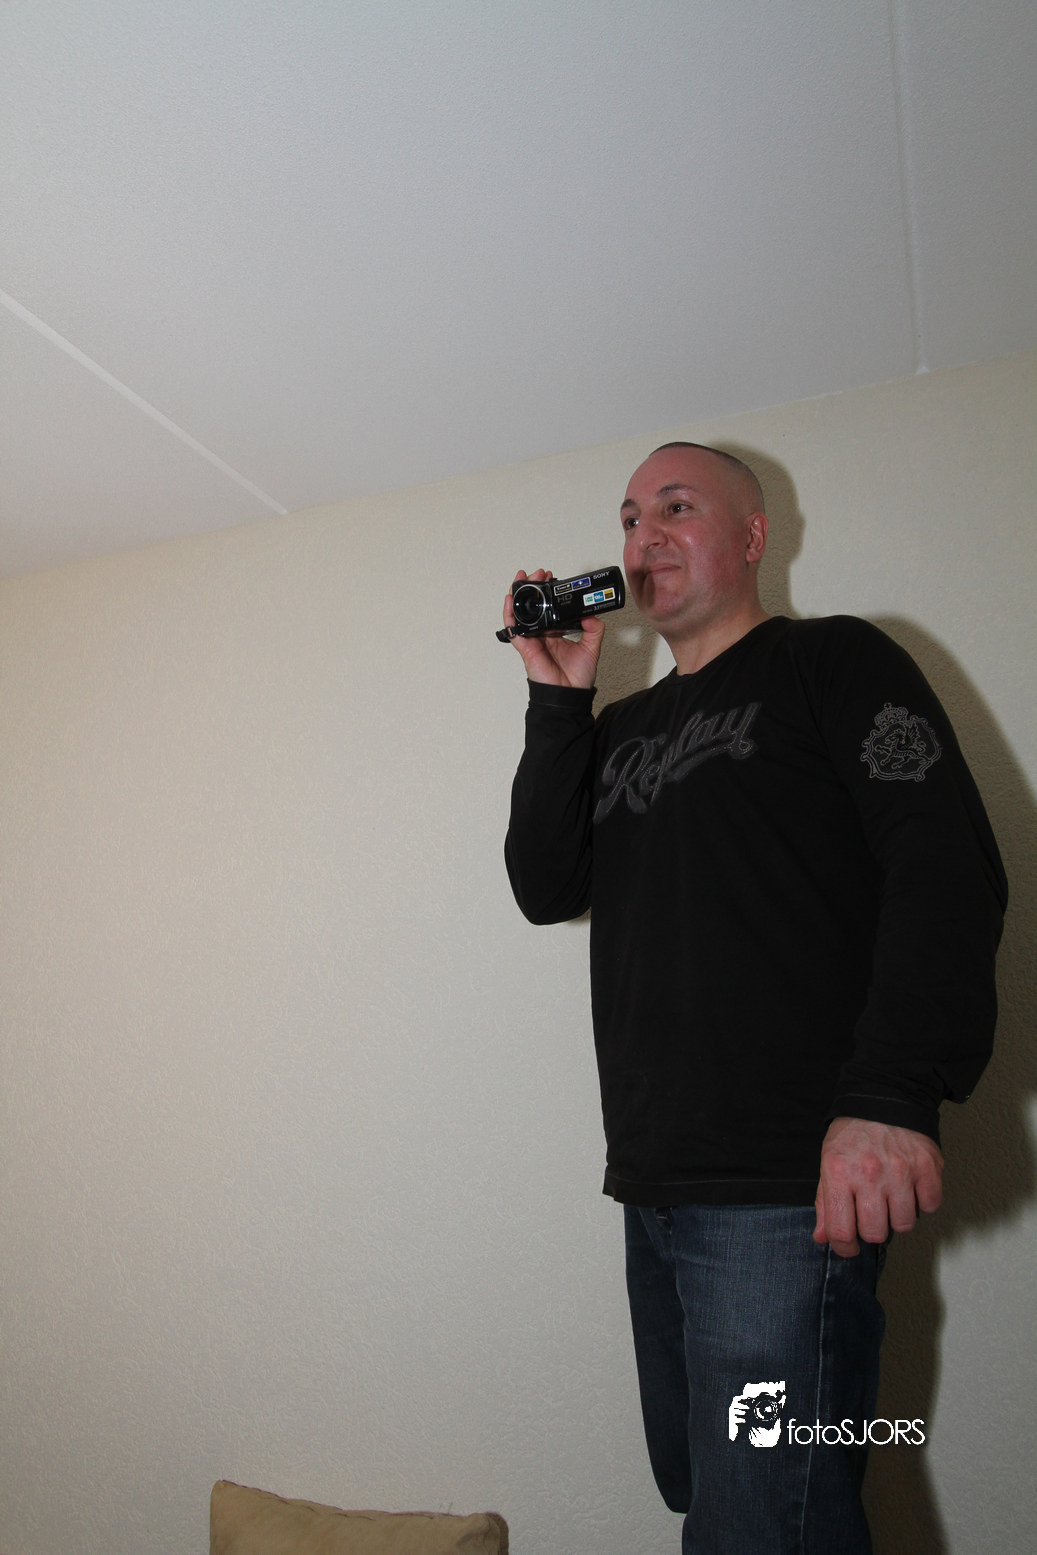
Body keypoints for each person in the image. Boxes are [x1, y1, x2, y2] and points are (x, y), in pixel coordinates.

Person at [503, 443, 1007, 1554]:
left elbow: (944, 865)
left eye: (674, 508)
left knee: (762, 1521)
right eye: (627, 519)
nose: (641, 538)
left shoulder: (833, 662)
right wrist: (559, 699)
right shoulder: (621, 733)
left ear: (752, 535)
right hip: (653, 1185)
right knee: (718, 1494)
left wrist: (890, 1094)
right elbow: (544, 884)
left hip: (786, 1189)